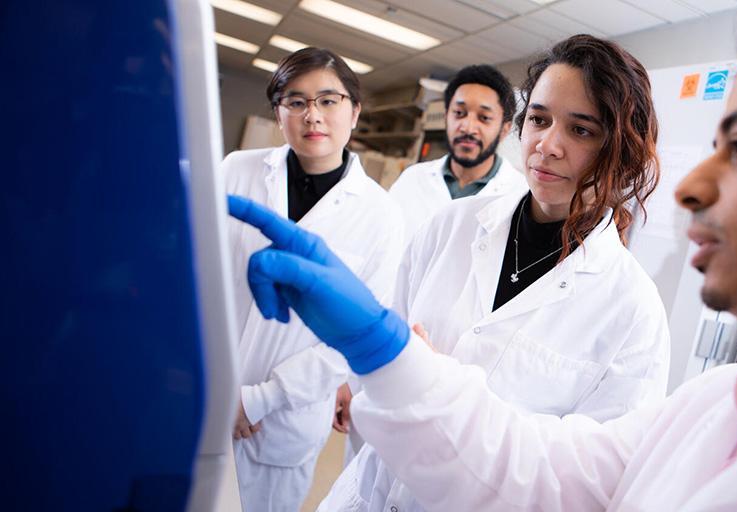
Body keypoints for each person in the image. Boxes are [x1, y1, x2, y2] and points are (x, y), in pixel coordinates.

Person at [228, 1, 737, 510]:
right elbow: (532, 469)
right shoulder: (712, 403)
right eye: (538, 120)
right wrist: (384, 351)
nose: (694, 189)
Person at [320, 34, 671, 511]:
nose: (547, 145)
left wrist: (428, 383)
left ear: (624, 152)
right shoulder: (452, 227)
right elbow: (376, 373)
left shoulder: (634, 313)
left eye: (581, 130)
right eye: (540, 120)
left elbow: (592, 482)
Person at [220, 47, 404, 512]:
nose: (312, 115)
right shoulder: (236, 171)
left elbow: (354, 334)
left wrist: (259, 400)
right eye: (295, 101)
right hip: (202, 391)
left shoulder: (381, 216)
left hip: (281, 423)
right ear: (278, 112)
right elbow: (196, 281)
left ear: (354, 111)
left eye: (328, 100)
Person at [388, 64, 527, 239]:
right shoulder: (412, 179)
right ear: (446, 117)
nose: (468, 128)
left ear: (504, 130)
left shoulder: (520, 196)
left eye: (484, 118)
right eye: (459, 113)